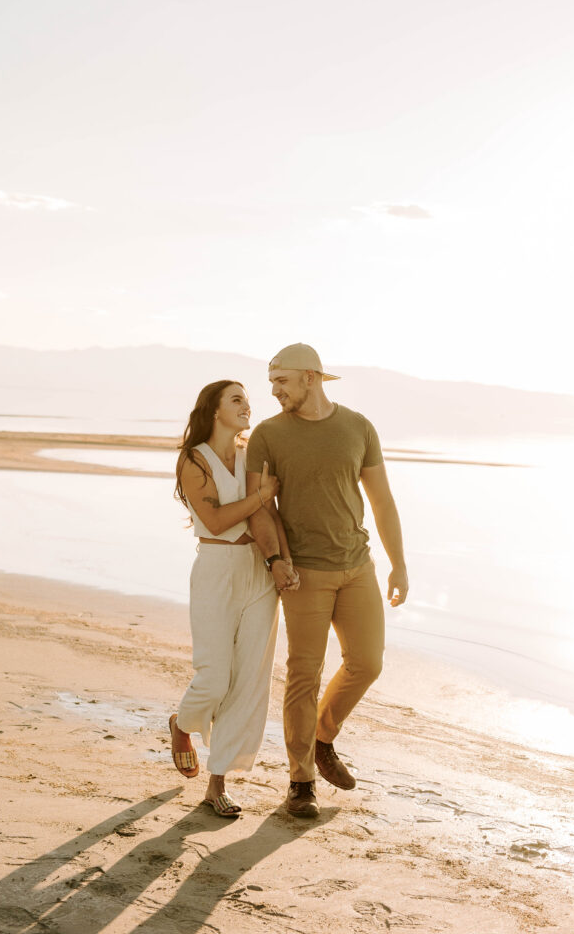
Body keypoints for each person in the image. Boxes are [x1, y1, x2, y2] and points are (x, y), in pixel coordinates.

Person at [246, 344, 408, 818]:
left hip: (358, 566)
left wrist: (398, 563)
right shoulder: (267, 435)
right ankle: (301, 781)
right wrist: (277, 558)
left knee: (367, 663)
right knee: (304, 675)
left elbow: (382, 501)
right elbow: (261, 506)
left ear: (312, 378)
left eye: (283, 382)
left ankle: (322, 738)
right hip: (305, 575)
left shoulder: (358, 427)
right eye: (272, 382)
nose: (274, 391)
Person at [170, 379, 297, 817]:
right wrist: (260, 494)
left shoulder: (250, 456)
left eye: (247, 400)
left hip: (256, 572)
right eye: (237, 399)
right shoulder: (194, 460)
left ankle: (216, 783)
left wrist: (280, 561)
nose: (248, 406)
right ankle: (183, 722)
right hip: (216, 570)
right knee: (214, 675)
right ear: (214, 410)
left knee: (248, 683)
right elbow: (217, 519)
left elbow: (268, 515)